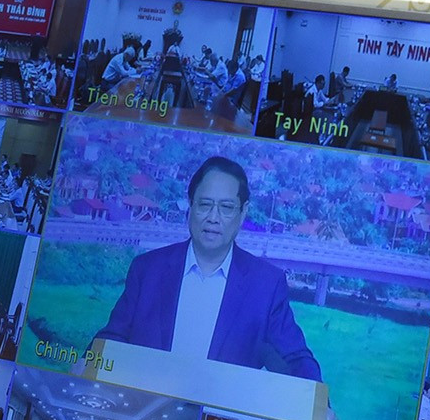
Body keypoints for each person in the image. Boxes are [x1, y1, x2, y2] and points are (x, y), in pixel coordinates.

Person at [92, 155, 320, 379]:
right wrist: (87, 368)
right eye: (205, 205)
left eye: (226, 208)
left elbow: (295, 359)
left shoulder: (266, 286)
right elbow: (114, 338)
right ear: (190, 207)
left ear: (243, 213)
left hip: (220, 415)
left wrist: (319, 409)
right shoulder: (148, 270)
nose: (213, 217)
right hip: (145, 408)